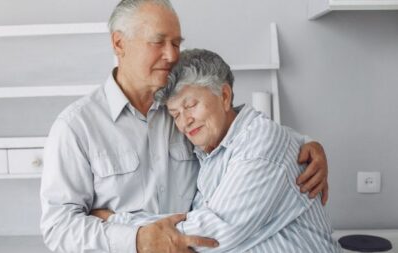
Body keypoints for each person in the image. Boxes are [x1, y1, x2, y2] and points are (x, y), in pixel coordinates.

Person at [40, 0, 330, 252]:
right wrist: (137, 241)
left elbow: (241, 137)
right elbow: (58, 227)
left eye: (176, 43)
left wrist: (303, 144)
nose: (171, 55)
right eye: (158, 42)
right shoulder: (76, 127)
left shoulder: (176, 107)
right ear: (119, 43)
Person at [94, 48, 342, 252]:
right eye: (175, 114)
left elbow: (213, 234)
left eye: (190, 105)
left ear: (224, 96)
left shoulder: (261, 141)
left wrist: (116, 222)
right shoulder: (210, 154)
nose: (184, 121)